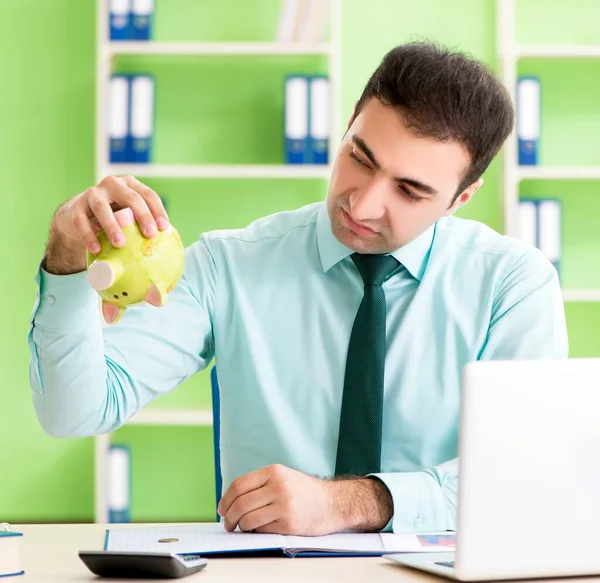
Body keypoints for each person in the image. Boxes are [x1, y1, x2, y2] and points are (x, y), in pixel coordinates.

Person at [28, 41, 567, 536]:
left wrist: (353, 502)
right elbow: (74, 410)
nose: (362, 205)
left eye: (409, 190)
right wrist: (68, 255)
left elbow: (526, 477)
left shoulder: (511, 284)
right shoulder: (230, 265)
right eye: (360, 157)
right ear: (349, 125)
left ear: (460, 198)